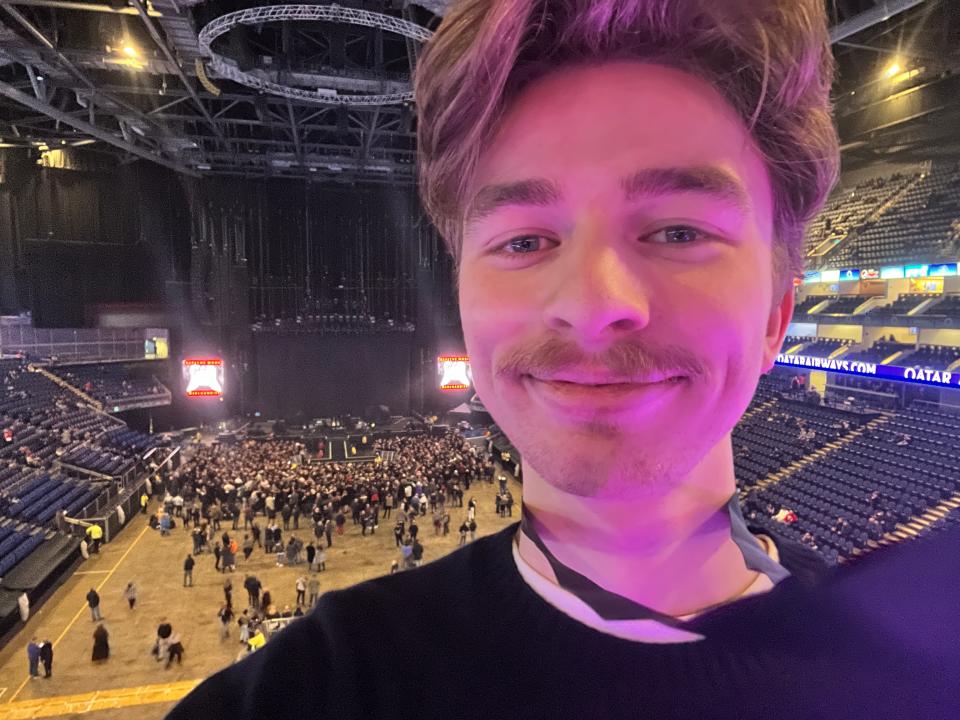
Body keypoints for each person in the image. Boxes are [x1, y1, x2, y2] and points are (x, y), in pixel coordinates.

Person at [169, 1, 958, 718]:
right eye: (524, 240)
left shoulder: (918, 685)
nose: (591, 302)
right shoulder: (303, 698)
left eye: (678, 231)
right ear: (465, 301)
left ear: (777, 313)